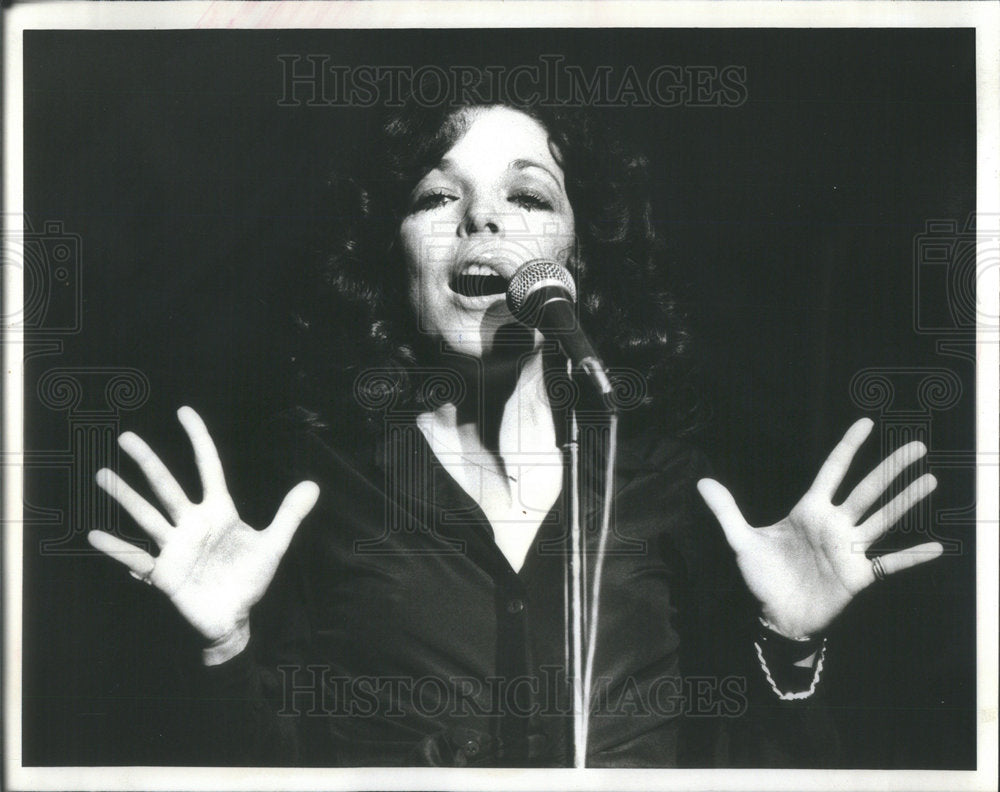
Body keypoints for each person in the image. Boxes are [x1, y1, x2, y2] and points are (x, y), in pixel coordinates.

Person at [87, 100, 943, 767]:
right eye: (435, 196)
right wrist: (222, 647)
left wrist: (788, 645)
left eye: (527, 194)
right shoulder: (322, 494)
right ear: (398, 261)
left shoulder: (669, 485)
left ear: (580, 258)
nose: (480, 220)